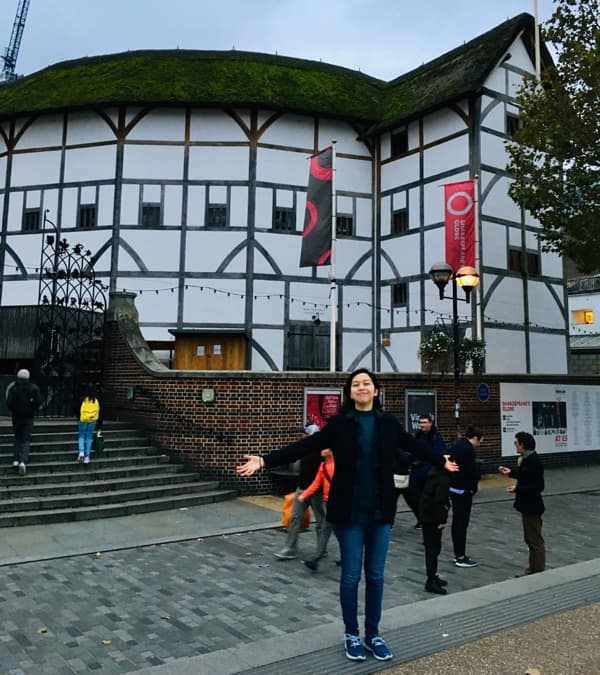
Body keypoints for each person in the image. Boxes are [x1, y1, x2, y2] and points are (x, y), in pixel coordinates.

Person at [237, 367, 458, 663]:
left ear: (376, 391)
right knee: (352, 576)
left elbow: (413, 444)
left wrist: (441, 460)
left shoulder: (387, 423)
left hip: (380, 512)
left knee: (376, 577)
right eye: (356, 384)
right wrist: (264, 460)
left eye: (367, 383)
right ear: (349, 392)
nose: (362, 387)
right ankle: (352, 633)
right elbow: (307, 446)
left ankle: (373, 634)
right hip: (349, 514)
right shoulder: (340, 424)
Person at [274, 423, 325, 560]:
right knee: (295, 517)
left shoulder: (322, 449)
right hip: (302, 488)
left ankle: (322, 548)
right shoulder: (303, 447)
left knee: (321, 521)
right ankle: (290, 548)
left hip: (317, 491)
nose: (302, 435)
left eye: (304, 433)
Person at [498, 431, 545, 576]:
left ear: (522, 444)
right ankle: (534, 567)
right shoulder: (526, 459)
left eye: (516, 443)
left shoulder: (533, 461)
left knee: (534, 539)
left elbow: (538, 486)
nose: (515, 446)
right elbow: (525, 476)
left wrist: (518, 489)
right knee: (530, 538)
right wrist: (510, 473)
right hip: (527, 505)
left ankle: (537, 569)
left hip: (532, 506)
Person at [449, 425, 483, 568]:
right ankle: (460, 556)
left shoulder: (458, 445)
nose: (479, 444)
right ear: (475, 438)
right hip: (463, 490)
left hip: (453, 487)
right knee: (461, 523)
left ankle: (458, 553)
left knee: (457, 521)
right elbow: (471, 472)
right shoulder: (468, 450)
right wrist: (473, 488)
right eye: (480, 441)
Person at [299, 448, 336, 572]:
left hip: (337, 501)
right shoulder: (323, 465)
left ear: (331, 450)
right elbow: (316, 483)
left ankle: (316, 557)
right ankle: (346, 555)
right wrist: (305, 495)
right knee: (336, 528)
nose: (321, 450)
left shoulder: (337, 464)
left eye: (324, 448)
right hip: (328, 501)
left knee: (326, 528)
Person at [419, 463, 451, 594]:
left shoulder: (433, 475)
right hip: (432, 518)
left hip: (427, 516)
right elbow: (439, 500)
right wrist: (442, 520)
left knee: (432, 547)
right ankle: (431, 580)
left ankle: (433, 576)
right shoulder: (443, 479)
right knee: (433, 548)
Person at [411, 413, 447, 528]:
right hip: (417, 474)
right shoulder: (418, 436)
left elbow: (440, 455)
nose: (422, 425)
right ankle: (422, 520)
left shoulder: (436, 437)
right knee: (417, 499)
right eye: (420, 422)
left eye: (425, 422)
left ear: (431, 423)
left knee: (428, 501)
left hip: (429, 474)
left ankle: (428, 523)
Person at [5, 368, 41, 476]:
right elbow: (38, 402)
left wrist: (13, 410)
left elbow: (9, 402)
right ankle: (23, 460)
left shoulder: (13, 388)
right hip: (28, 416)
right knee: (25, 438)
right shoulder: (33, 388)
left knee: (17, 437)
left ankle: (15, 459)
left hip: (16, 416)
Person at [78, 384, 100, 464]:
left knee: (81, 436)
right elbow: (98, 411)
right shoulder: (96, 400)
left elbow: (79, 409)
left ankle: (81, 452)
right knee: (89, 437)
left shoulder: (83, 399)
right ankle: (87, 457)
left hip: (83, 419)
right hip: (92, 420)